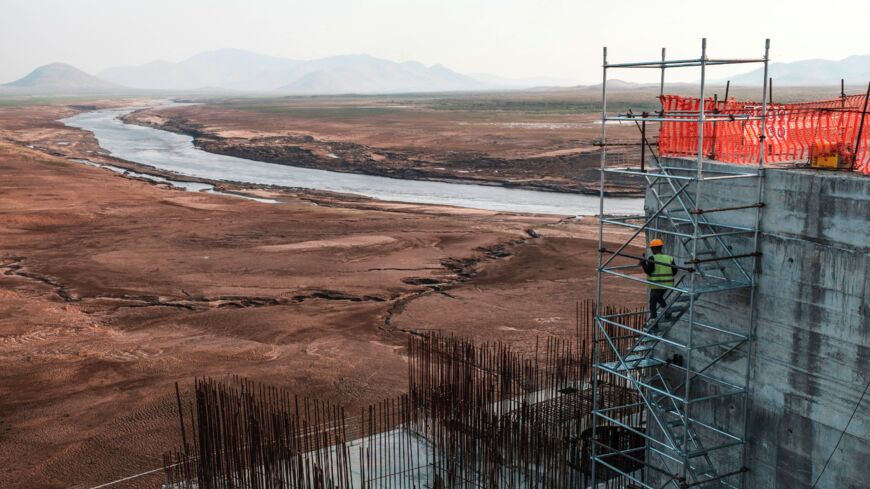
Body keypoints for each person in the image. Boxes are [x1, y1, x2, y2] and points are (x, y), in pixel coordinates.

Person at [639, 238, 677, 323]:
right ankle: (668, 311)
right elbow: (674, 271)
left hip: (657, 284)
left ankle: (653, 319)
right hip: (668, 283)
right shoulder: (669, 258)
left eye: (652, 248)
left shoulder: (652, 258)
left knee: (652, 301)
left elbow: (649, 271)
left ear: (654, 248)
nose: (652, 250)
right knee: (659, 297)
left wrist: (643, 263)